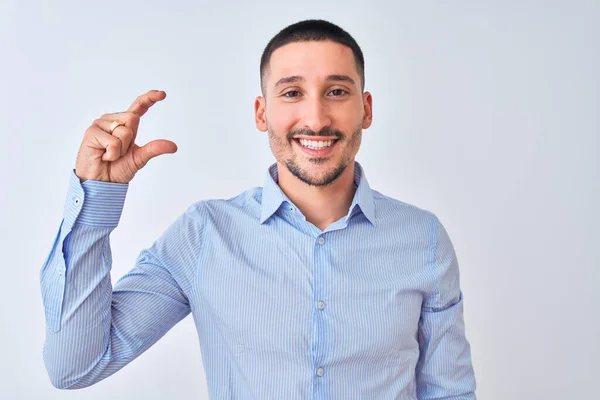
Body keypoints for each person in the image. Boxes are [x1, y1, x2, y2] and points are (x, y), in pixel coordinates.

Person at [40, 19, 477, 399]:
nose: (316, 117)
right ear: (261, 112)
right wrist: (95, 196)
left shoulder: (423, 239)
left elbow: (448, 393)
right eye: (292, 92)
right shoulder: (204, 235)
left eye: (337, 91)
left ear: (365, 109)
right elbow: (76, 367)